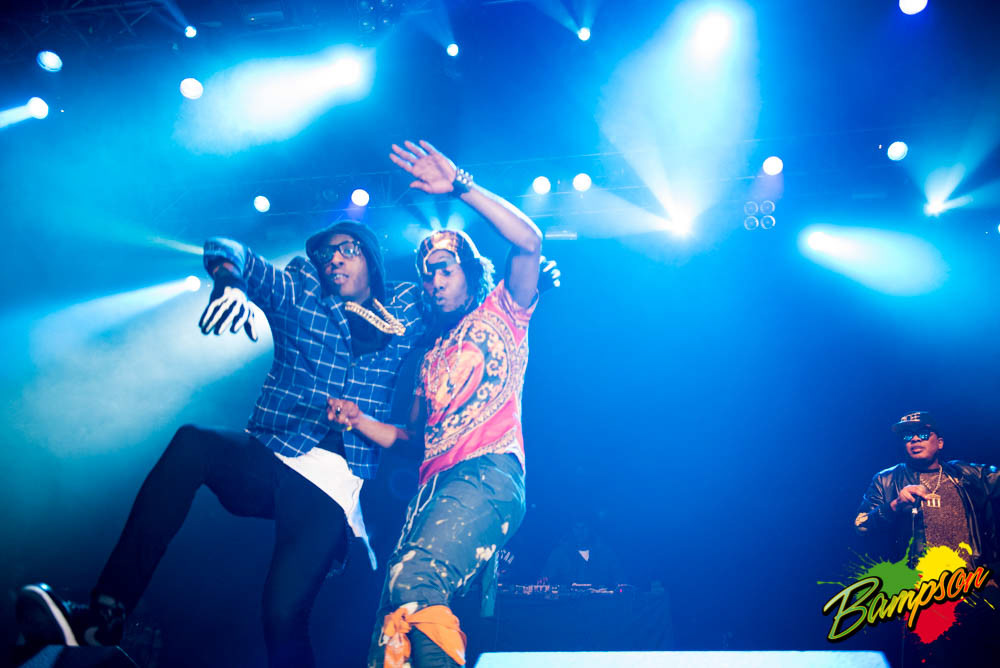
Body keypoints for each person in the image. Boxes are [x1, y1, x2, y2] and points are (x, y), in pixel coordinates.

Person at [17, 220, 423, 668]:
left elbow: (462, 297)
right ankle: (105, 616)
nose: (334, 260)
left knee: (281, 616)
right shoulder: (302, 289)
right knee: (192, 444)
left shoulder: (404, 306)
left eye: (347, 249)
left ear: (371, 256)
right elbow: (226, 248)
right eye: (326, 254)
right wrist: (231, 285)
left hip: (331, 487)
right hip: (272, 458)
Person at [328, 139, 543, 668]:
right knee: (393, 620)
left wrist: (461, 186)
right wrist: (359, 420)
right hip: (433, 490)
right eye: (428, 274)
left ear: (469, 270)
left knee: (414, 580)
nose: (436, 281)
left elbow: (529, 241)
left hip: (487, 473)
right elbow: (413, 440)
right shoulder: (429, 358)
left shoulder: (505, 309)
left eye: (446, 269)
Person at [854, 410, 1000, 666]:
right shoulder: (887, 480)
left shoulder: (968, 474)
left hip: (977, 588)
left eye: (922, 433)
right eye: (907, 436)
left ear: (939, 442)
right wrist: (895, 504)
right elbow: (861, 526)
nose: (914, 439)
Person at [541, 518, 623, 587]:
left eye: (584, 528)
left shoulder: (605, 553)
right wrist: (544, 581)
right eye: (576, 528)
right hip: (567, 600)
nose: (580, 532)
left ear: (591, 529)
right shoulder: (559, 553)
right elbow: (546, 578)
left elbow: (619, 577)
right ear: (571, 530)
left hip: (599, 600)